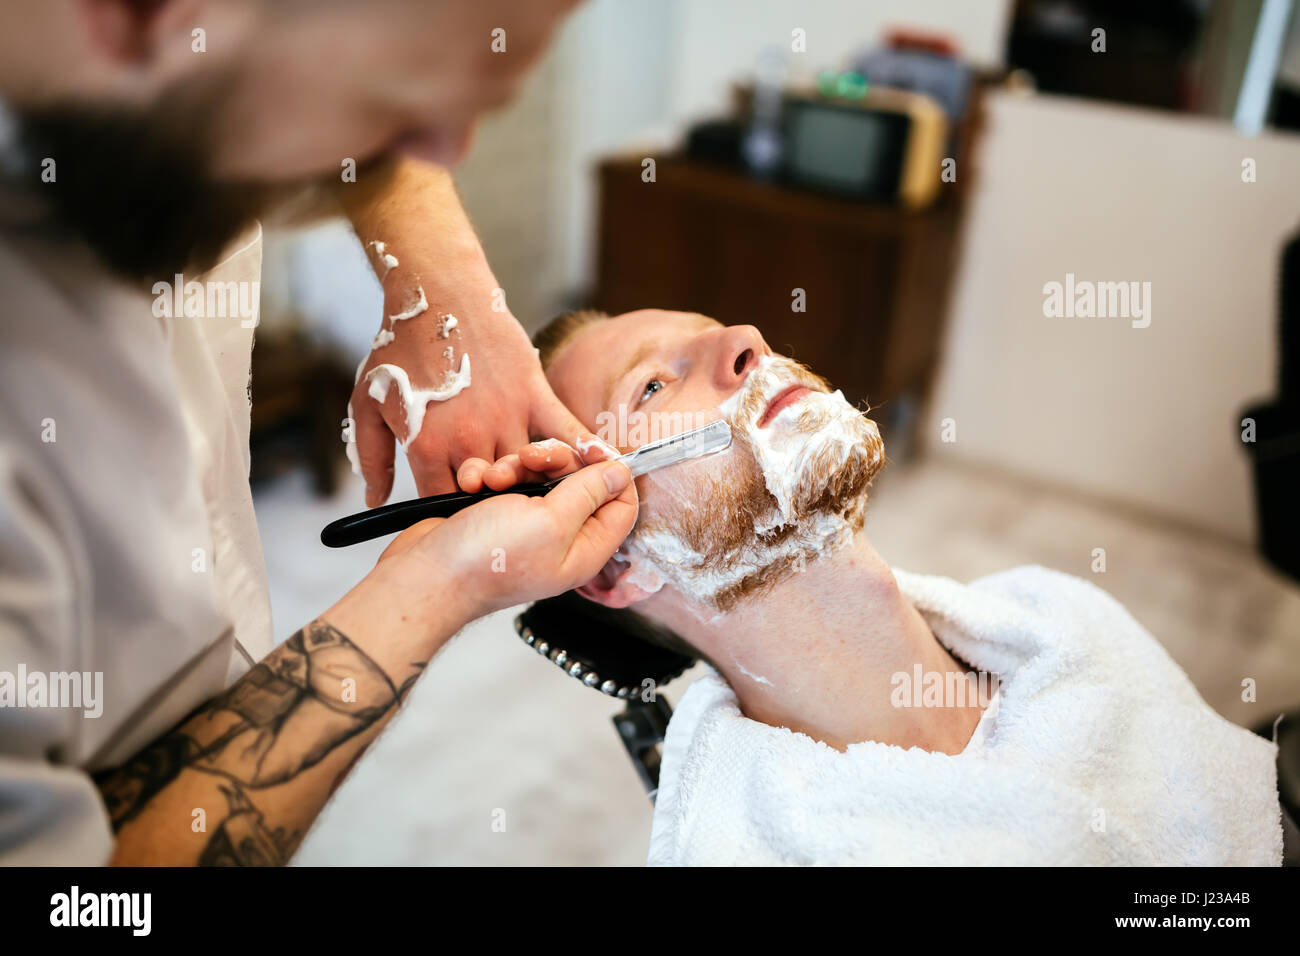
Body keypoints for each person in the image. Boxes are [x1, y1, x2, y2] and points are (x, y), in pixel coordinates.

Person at [0, 0, 639, 865]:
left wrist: (441, 281)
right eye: (397, 104)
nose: (438, 159)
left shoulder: (163, 114)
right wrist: (438, 585)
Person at [455, 308, 1285, 865]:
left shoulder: (1063, 616)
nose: (747, 339)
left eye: (717, 329)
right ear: (615, 565)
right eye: (652, 386)